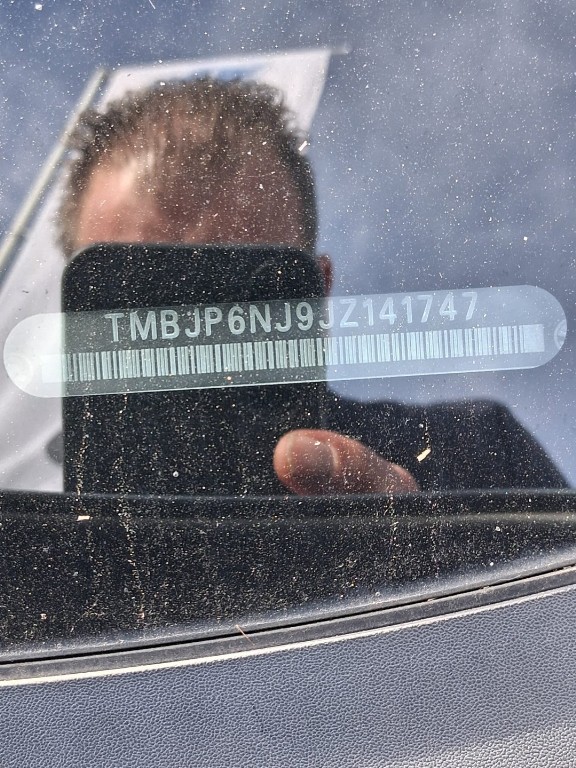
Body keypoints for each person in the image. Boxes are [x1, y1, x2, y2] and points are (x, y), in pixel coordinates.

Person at [56, 77, 566, 494]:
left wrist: (423, 557)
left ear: (317, 294)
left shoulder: (476, 455)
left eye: (248, 298)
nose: (191, 341)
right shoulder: (29, 533)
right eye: (137, 297)